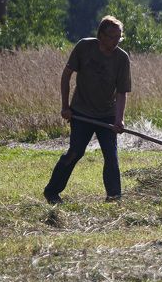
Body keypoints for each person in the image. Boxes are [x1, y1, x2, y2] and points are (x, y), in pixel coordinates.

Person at [43, 15, 131, 204]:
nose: (116, 41)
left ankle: (114, 197)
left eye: (119, 38)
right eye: (112, 37)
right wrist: (65, 106)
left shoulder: (122, 59)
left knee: (111, 155)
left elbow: (122, 92)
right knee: (75, 152)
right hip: (81, 112)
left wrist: (119, 119)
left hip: (106, 114)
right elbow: (66, 76)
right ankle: (52, 192)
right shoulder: (84, 47)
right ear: (101, 35)